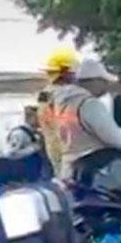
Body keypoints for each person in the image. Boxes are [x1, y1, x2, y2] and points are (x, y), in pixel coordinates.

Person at [54, 58, 121, 243]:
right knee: (110, 221)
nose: (106, 88)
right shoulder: (88, 104)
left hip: (70, 170)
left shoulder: (62, 103)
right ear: (94, 81)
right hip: (95, 172)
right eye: (103, 82)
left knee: (81, 227)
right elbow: (114, 138)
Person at [37, 47, 80, 176]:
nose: (75, 75)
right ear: (64, 72)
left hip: (56, 148)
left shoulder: (46, 94)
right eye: (72, 71)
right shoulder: (63, 94)